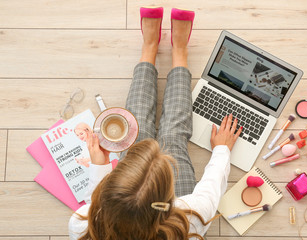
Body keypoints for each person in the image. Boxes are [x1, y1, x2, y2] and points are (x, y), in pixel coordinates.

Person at [68, 7, 243, 240]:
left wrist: (99, 166)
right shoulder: (188, 220)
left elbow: (95, 202)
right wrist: (222, 150)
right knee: (173, 137)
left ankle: (149, 47)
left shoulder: (82, 225)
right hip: (172, 210)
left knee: (135, 131)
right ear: (168, 201)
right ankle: (179, 51)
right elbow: (210, 191)